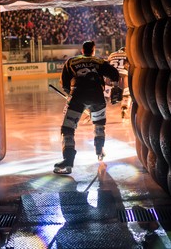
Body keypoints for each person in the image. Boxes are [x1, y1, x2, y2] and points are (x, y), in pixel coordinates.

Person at [54, 40, 121, 174]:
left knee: (67, 129)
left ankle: (68, 161)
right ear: (93, 50)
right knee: (99, 126)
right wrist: (114, 87)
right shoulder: (99, 61)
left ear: (82, 51)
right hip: (98, 97)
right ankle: (99, 151)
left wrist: (70, 95)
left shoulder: (71, 61)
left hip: (77, 96)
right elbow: (115, 75)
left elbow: (65, 84)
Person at [107, 46, 131, 119]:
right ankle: (124, 108)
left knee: (105, 96)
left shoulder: (112, 54)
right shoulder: (128, 55)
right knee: (127, 95)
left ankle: (92, 111)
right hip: (123, 76)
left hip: (109, 77)